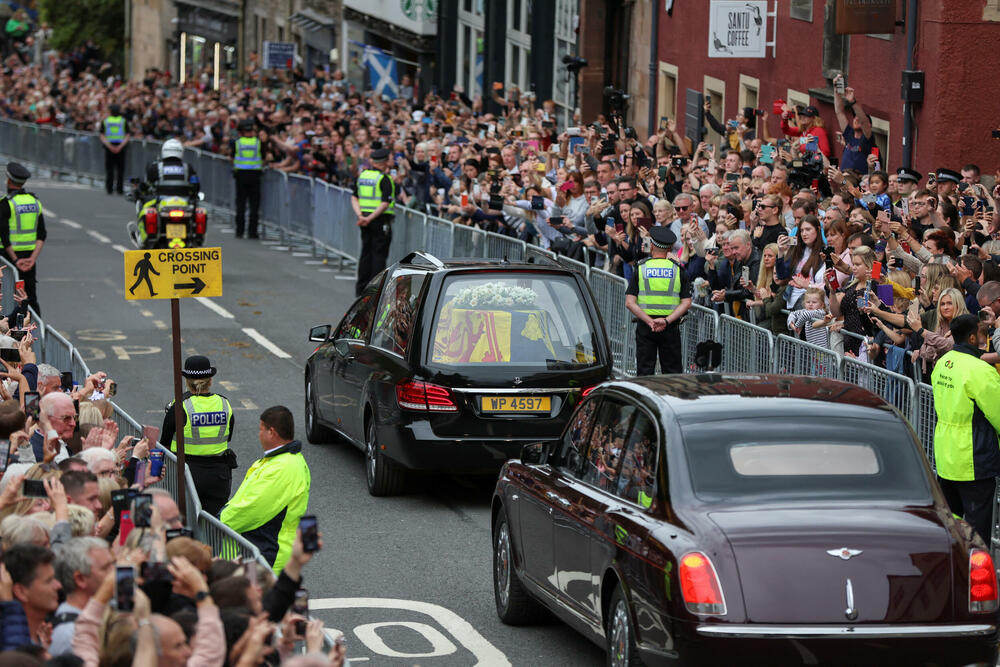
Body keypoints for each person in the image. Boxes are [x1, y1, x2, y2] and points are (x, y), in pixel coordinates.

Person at [930, 314, 1000, 544]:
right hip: (973, 458)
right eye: (982, 332)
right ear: (972, 337)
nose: (984, 337)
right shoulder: (980, 370)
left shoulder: (943, 363)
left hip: (946, 454)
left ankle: (953, 573)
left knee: (951, 525)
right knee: (977, 533)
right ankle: (974, 576)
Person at [220, 406, 311, 573]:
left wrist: (220, 519)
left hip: (267, 554)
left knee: (257, 597)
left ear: (271, 432)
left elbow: (252, 508)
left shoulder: (283, 467)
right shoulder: (279, 460)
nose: (258, 434)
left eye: (261, 429)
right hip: (262, 549)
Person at [158, 355, 235, 516]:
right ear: (211, 380)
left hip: (187, 474)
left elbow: (164, 443)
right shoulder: (224, 404)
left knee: (187, 523)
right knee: (214, 526)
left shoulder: (180, 407)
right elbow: (228, 437)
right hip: (219, 476)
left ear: (187, 381)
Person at [625, 226, 692, 375]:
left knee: (644, 373)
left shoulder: (641, 268)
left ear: (652, 245)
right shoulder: (678, 269)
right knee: (672, 374)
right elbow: (687, 302)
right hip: (670, 327)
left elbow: (629, 302)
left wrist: (649, 321)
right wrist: (666, 321)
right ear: (669, 248)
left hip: (645, 326)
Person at [50, 537, 113, 656]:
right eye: (106, 568)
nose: (114, 574)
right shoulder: (70, 633)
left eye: (113, 565)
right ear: (80, 579)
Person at [0, 162, 46, 313]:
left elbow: (4, 237)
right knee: (29, 297)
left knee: (6, 298)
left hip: (8, 260)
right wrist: (32, 259)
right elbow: (42, 234)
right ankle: (35, 333)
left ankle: (12, 333)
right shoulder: (34, 202)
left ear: (8, 180)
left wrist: (15, 260)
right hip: (28, 262)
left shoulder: (6, 204)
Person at [352, 146, 395, 296]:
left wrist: (361, 216)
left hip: (364, 219)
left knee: (365, 253)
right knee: (379, 255)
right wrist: (369, 218)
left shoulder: (363, 176)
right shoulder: (385, 179)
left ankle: (361, 289)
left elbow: (354, 197)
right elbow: (385, 203)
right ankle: (375, 291)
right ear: (384, 162)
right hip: (379, 220)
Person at [4, 544, 61, 645]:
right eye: (48, 581)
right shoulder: (11, 645)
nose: (58, 586)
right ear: (21, 592)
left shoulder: (41, 640)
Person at [232, 118, 263, 239]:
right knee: (254, 205)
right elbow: (264, 156)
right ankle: (252, 232)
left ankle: (239, 231)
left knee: (241, 204)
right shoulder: (258, 142)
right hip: (255, 176)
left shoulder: (237, 143)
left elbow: (232, 156)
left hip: (241, 175)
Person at [100, 104, 128, 195]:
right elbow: (127, 135)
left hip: (109, 147)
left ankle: (109, 188)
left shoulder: (106, 121)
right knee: (120, 170)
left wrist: (110, 146)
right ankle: (120, 189)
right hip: (121, 147)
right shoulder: (123, 121)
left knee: (110, 169)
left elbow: (102, 135)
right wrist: (120, 147)